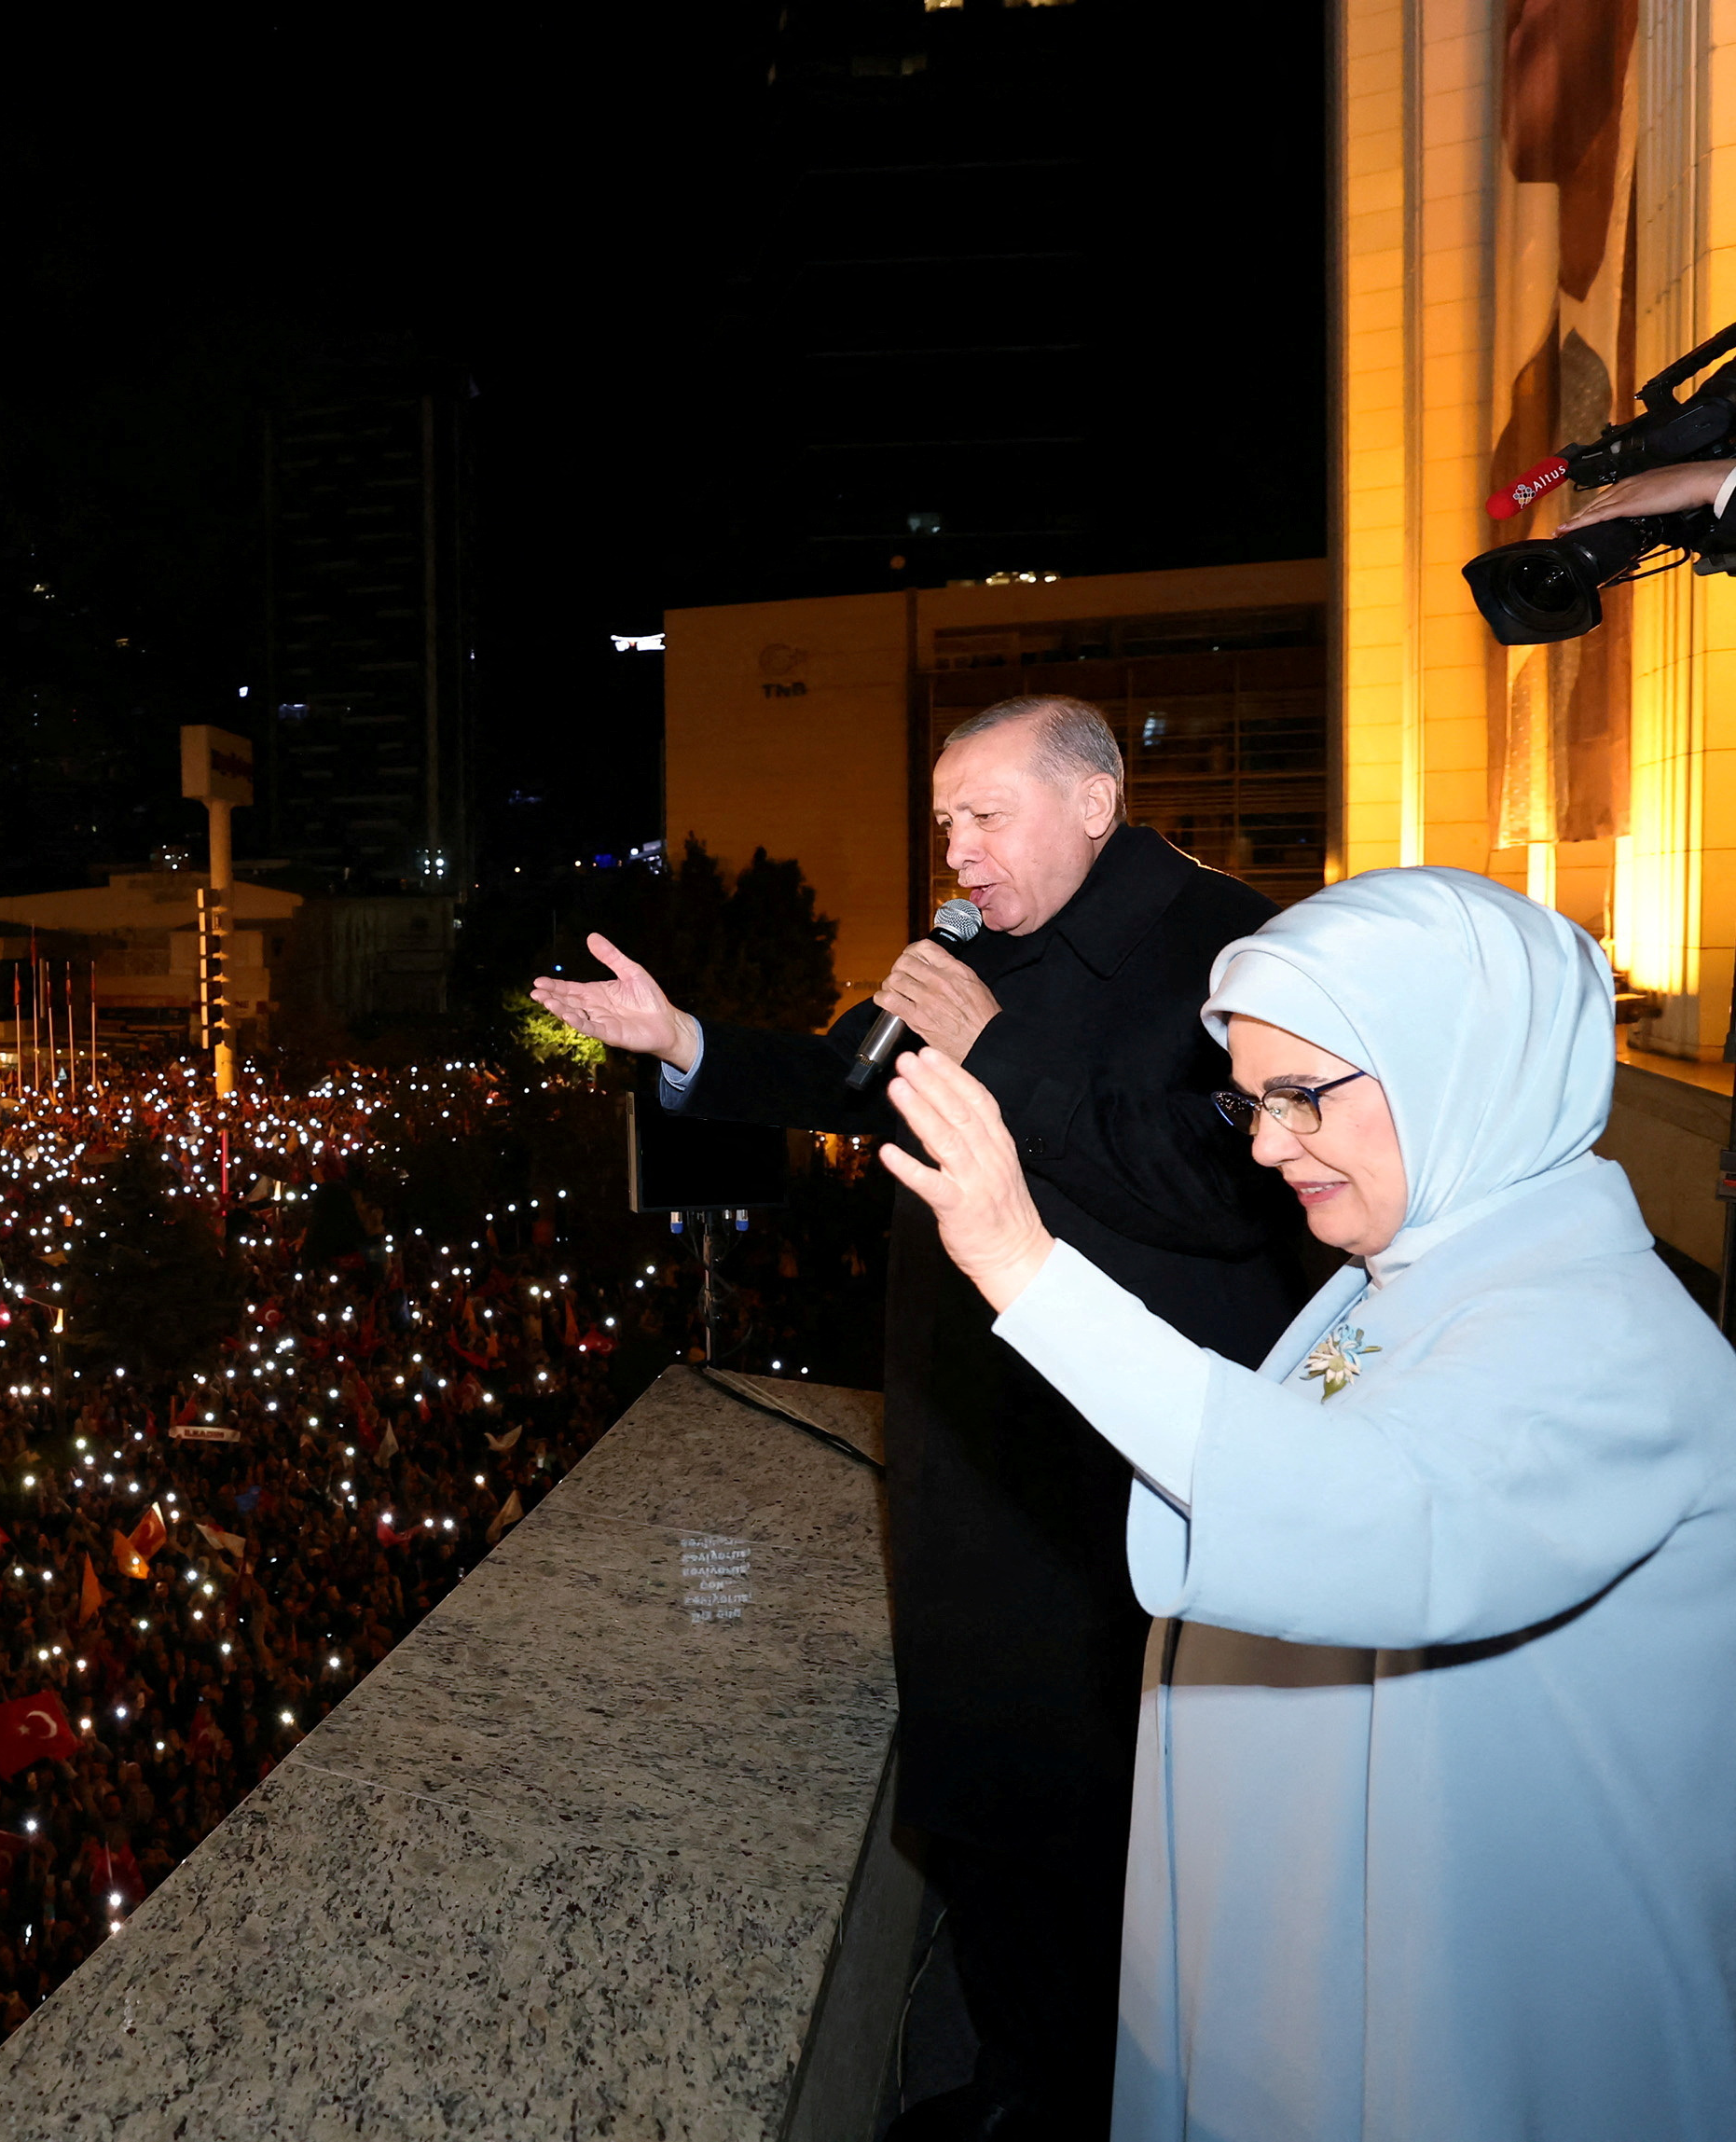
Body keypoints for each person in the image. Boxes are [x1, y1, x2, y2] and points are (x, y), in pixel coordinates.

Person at [532, 696, 1312, 2140]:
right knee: (989, 1792)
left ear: (1095, 802)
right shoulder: (965, 947)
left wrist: (996, 1051)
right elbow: (851, 1082)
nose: (955, 851)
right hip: (962, 1440)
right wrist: (682, 1037)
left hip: (1116, 1477)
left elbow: (1223, 1191)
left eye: (985, 815)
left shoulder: (1229, 946)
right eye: (945, 819)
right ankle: (1025, 2078)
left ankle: (1115, 2097)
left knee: (1112, 1820)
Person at [879, 865, 1736, 2141]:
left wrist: (1028, 1268)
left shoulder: (1599, 1326)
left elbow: (1376, 1517)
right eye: (1251, 1102)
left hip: (1471, 2008)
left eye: (1303, 1096)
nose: (1270, 1143)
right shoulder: (1398, 1273)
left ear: (1462, 1066)